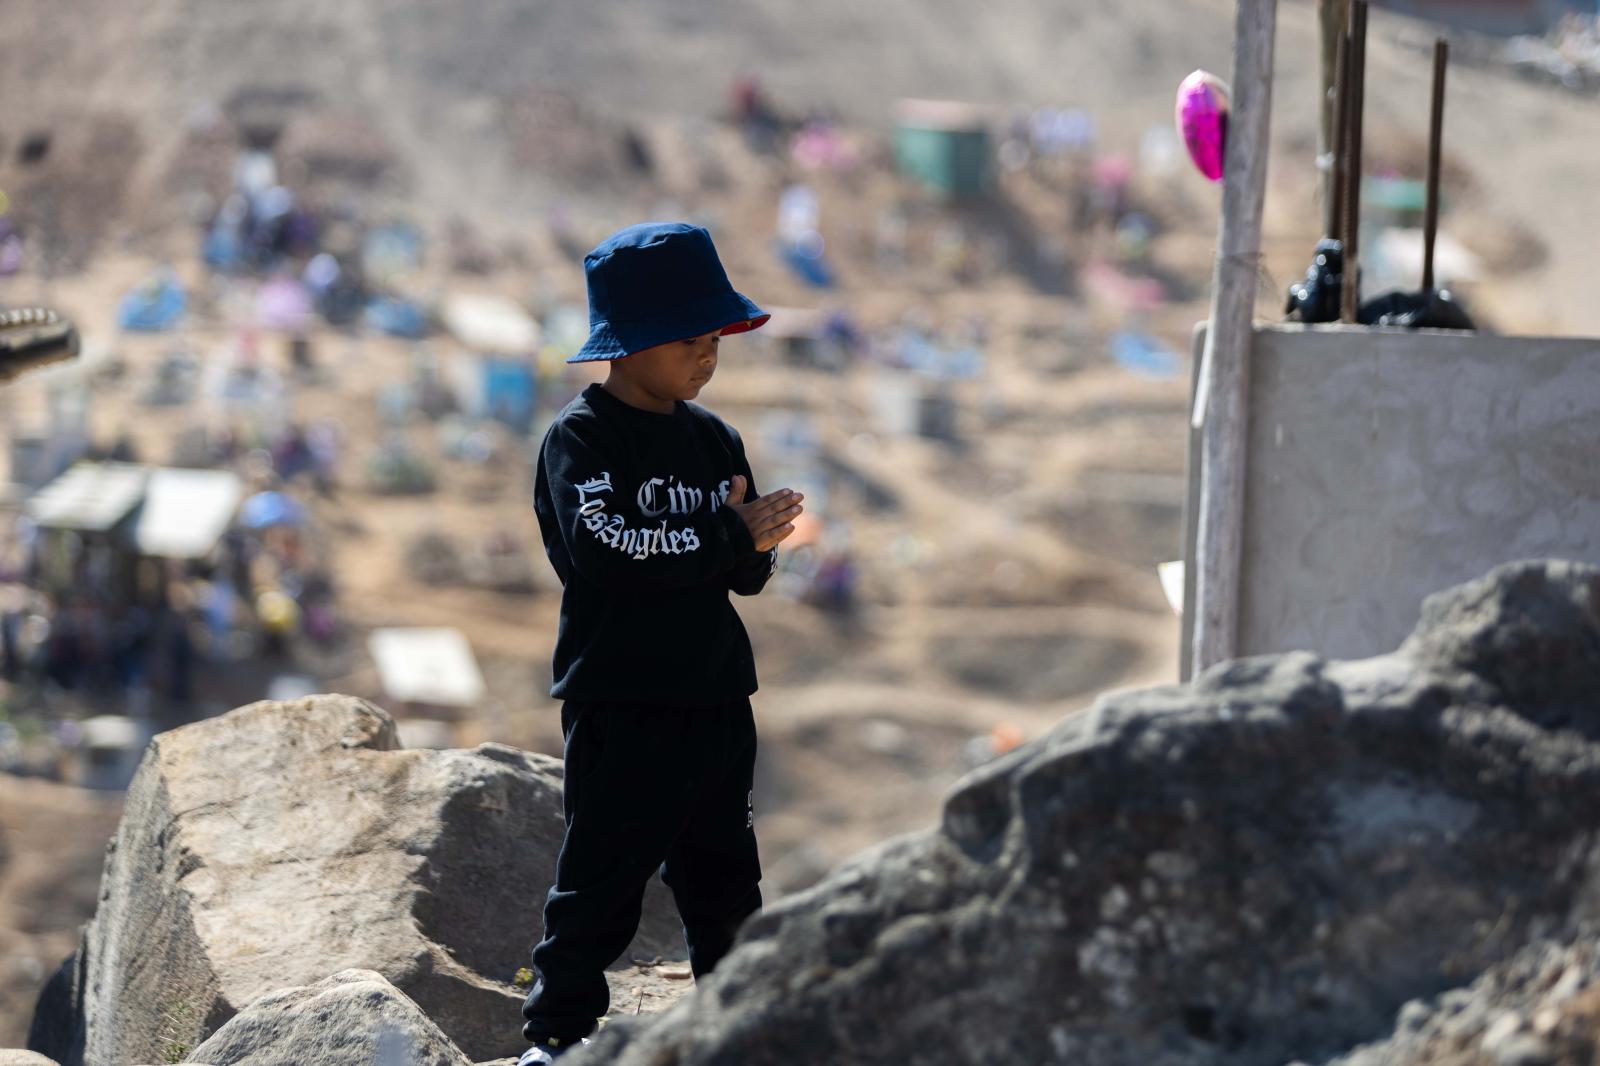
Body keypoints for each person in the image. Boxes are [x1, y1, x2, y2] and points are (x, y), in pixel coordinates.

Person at [519, 222, 804, 1064]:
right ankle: (555, 1036)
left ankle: (736, 1032)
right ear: (630, 341)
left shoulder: (713, 439)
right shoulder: (584, 440)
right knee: (601, 879)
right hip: (624, 696)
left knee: (726, 885)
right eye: (689, 337)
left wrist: (758, 545)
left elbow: (742, 577)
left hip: (717, 697)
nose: (707, 354)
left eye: (715, 336)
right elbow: (609, 554)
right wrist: (727, 538)